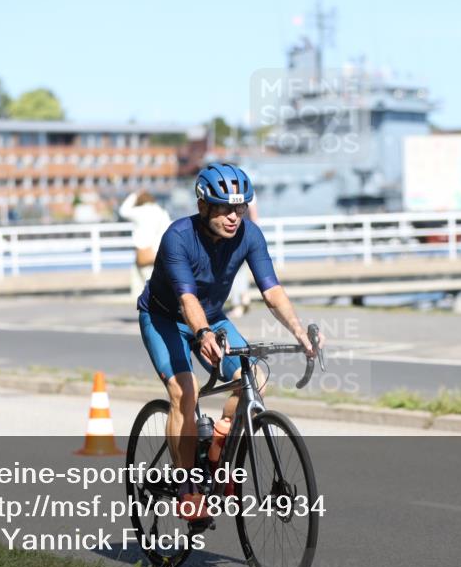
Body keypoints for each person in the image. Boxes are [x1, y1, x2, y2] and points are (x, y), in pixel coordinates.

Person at [137, 163, 322, 520]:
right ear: (204, 206)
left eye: (239, 208)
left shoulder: (249, 235)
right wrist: (202, 333)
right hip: (165, 317)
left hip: (213, 317)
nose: (233, 216)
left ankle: (219, 443)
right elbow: (186, 298)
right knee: (184, 392)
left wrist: (299, 332)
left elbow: (272, 291)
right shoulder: (178, 236)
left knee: (256, 378)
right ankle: (187, 485)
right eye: (224, 208)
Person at [118, 190, 172, 299]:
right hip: (159, 251)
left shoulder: (140, 211)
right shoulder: (161, 212)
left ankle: (146, 312)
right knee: (157, 283)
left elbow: (123, 211)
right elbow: (169, 229)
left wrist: (134, 194)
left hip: (144, 251)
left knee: (140, 286)